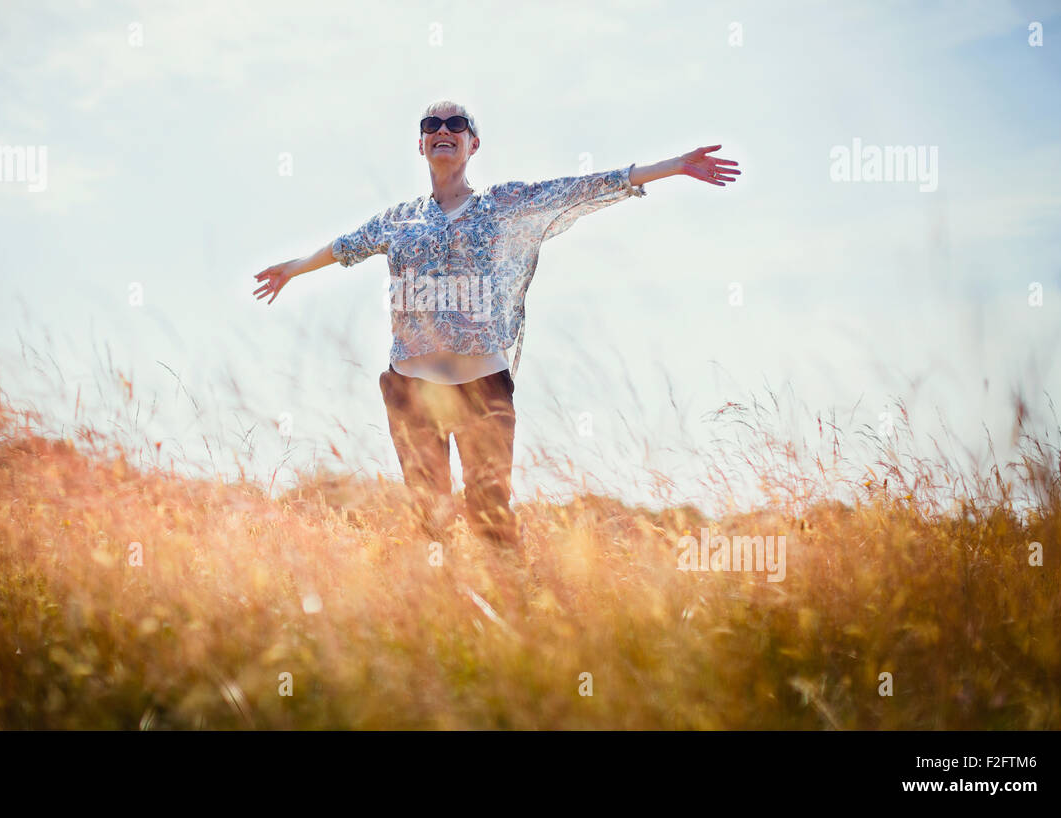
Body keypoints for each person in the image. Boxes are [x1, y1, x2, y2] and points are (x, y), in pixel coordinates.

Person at [253, 101, 739, 549]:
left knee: (489, 512)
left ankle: (509, 609)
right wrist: (292, 268)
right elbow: (343, 247)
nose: (443, 130)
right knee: (430, 517)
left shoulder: (502, 204)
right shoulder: (397, 220)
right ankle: (436, 618)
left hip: (481, 385)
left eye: (456, 124)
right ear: (420, 144)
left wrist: (674, 166)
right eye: (431, 125)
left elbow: (580, 186)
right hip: (410, 386)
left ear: (472, 144)